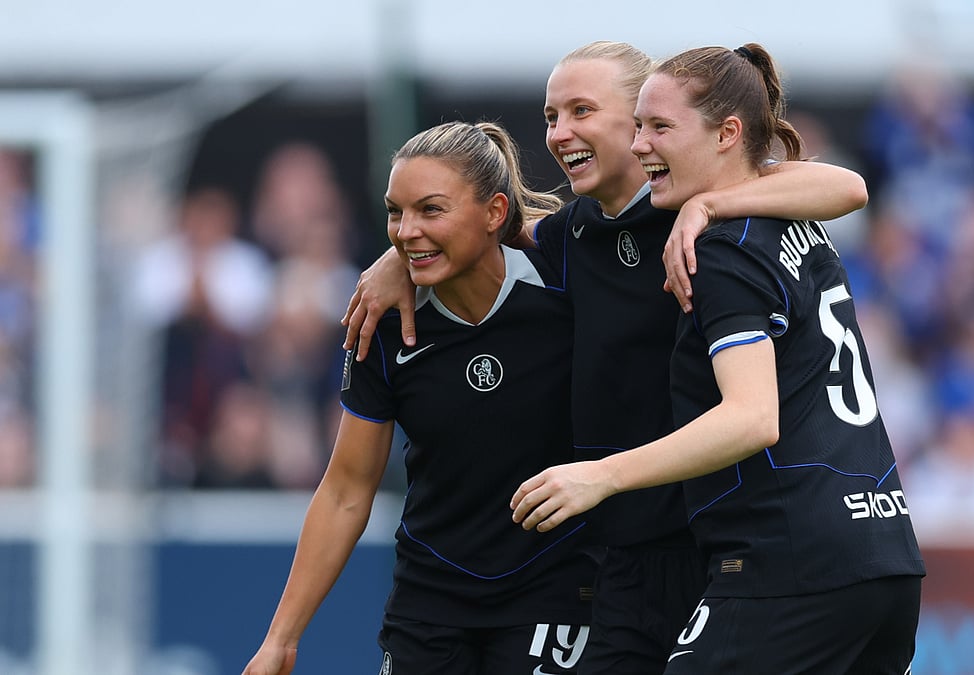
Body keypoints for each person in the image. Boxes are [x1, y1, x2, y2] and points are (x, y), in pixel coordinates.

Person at [341, 41, 869, 674]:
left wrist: (710, 203)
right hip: (623, 553)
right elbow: (466, 226)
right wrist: (396, 260)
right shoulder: (574, 233)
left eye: (582, 111)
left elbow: (848, 186)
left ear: (641, 121)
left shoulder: (699, 214)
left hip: (720, 544)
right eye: (550, 116)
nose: (560, 134)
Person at [511, 43, 925, 674]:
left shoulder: (718, 249)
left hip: (787, 559)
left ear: (727, 133)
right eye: (550, 115)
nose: (645, 143)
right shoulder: (786, 219)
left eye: (657, 127)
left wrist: (600, 474)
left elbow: (752, 418)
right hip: (880, 548)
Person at [243, 121, 595, 675]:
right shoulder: (378, 325)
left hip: (554, 588)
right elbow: (345, 490)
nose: (406, 232)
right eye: (395, 212)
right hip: (429, 600)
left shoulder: (567, 279)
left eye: (431, 210)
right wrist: (281, 639)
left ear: (495, 213)